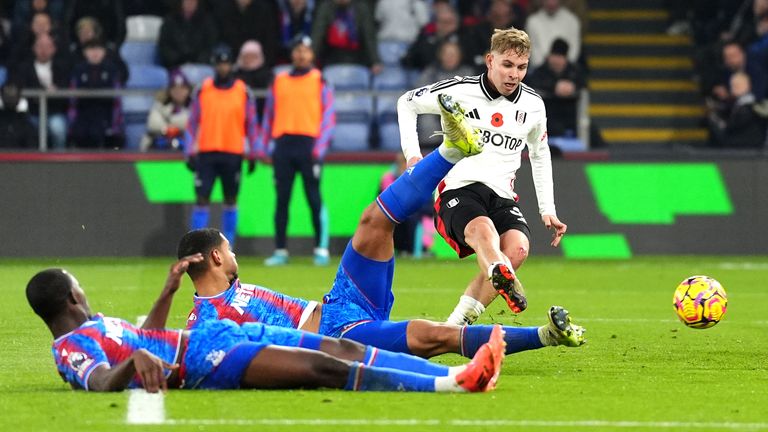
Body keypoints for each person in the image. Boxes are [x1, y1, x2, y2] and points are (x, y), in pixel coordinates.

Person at [178, 121, 585, 359]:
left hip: (340, 300)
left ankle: (451, 151)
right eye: (228, 249)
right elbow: (204, 358)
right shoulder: (203, 324)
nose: (234, 254)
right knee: (434, 336)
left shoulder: (229, 293)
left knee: (373, 221)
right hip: (342, 337)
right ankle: (546, 335)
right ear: (214, 257)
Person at [25, 256, 504, 393]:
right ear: (72, 297)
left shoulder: (102, 323)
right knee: (320, 367)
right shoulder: (68, 350)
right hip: (203, 362)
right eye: (78, 285)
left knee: (337, 349)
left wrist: (168, 292)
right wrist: (132, 362)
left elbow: (148, 337)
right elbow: (102, 382)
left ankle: (453, 375)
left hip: (211, 336)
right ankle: (457, 386)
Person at [397, 27, 568, 326]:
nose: (514, 74)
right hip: (458, 189)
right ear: (490, 61)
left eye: (521, 67)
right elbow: (407, 102)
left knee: (517, 248)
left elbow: (540, 155)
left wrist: (548, 209)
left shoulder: (533, 105)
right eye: (507, 65)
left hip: (501, 194)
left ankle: (455, 325)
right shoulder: (459, 90)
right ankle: (499, 272)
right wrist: (414, 156)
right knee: (484, 230)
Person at [259, 36, 334, 267]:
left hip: (308, 146)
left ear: (311, 55)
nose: (301, 54)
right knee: (282, 200)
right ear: (292, 54)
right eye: (298, 50)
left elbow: (328, 116)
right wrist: (264, 146)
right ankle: (280, 250)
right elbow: (269, 115)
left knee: (314, 198)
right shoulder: (279, 80)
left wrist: (319, 148)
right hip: (283, 145)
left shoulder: (319, 80)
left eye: (306, 51)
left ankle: (321, 249)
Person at [185, 44, 260, 247]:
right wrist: (188, 150)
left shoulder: (243, 92)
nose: (223, 68)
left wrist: (254, 152)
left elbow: (251, 124)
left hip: (233, 152)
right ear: (214, 65)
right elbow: (192, 122)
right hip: (207, 151)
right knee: (202, 199)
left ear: (232, 65)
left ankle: (229, 246)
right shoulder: (203, 89)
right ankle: (197, 247)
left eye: (226, 64)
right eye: (220, 64)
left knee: (230, 199)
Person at [10, 33, 71, 149]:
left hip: (55, 112)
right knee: (28, 129)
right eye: (40, 46)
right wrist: (43, 91)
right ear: (34, 48)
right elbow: (21, 89)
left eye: (47, 47)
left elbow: (66, 91)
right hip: (32, 113)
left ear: (53, 49)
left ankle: (60, 161)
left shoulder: (62, 68)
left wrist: (55, 93)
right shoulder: (24, 68)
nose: (44, 50)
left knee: (58, 128)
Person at [67, 38, 123, 149]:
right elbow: (72, 99)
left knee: (99, 132)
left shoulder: (111, 70)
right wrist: (72, 120)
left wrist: (116, 123)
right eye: (91, 49)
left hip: (104, 113)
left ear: (104, 52)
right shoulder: (78, 70)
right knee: (80, 133)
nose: (95, 53)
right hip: (83, 112)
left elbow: (117, 98)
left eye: (98, 49)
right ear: (85, 52)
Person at [525, 38, 585, 138]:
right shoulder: (539, 72)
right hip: (547, 113)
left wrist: (572, 87)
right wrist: (554, 87)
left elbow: (583, 85)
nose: (557, 60)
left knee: (590, 131)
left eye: (560, 57)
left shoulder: (574, 71)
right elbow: (532, 84)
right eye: (555, 56)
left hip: (570, 114)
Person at [310, 0, 382, 74]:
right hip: (332, 57)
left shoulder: (361, 8)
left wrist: (375, 61)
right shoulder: (326, 8)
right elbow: (317, 36)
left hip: (357, 58)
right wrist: (310, 59)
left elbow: (369, 37)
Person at [141, 69, 192, 151]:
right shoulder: (161, 104)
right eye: (174, 89)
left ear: (188, 90)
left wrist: (170, 124)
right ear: (169, 90)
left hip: (187, 149)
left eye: (183, 88)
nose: (179, 92)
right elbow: (152, 124)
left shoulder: (194, 105)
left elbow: (191, 123)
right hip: (161, 146)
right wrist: (168, 129)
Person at [157, 0, 218, 69]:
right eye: (187, 1)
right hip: (174, 66)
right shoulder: (169, 21)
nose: (190, 3)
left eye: (193, 1)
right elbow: (164, 46)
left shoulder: (206, 21)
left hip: (200, 65)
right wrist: (179, 60)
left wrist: (198, 61)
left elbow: (210, 45)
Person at [525, 0, 580, 70]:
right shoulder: (532, 21)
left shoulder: (572, 20)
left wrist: (563, 64)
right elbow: (533, 51)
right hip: (540, 69)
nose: (551, 2)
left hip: (566, 68)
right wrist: (548, 64)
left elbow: (574, 49)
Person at [0, 82, 38, 149]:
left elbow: (31, 151)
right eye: (7, 95)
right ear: (2, 97)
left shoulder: (26, 124)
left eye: (12, 95)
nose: (10, 98)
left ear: (19, 98)